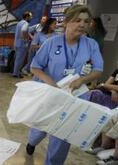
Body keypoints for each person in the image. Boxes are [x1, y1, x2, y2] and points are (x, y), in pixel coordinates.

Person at [26, 5, 104, 165]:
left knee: (62, 136)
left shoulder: (91, 45)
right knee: (40, 130)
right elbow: (35, 66)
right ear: (67, 22)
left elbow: (98, 69)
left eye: (86, 21)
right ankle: (31, 142)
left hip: (73, 96)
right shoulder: (51, 43)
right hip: (49, 94)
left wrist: (82, 80)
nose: (82, 24)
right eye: (77, 20)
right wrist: (52, 84)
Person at [12, 11, 33, 78]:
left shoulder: (19, 23)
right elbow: (23, 31)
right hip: (22, 44)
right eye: (30, 17)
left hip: (17, 44)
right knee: (20, 60)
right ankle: (16, 73)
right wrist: (25, 40)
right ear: (27, 17)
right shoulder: (26, 23)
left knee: (17, 59)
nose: (31, 18)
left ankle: (15, 72)